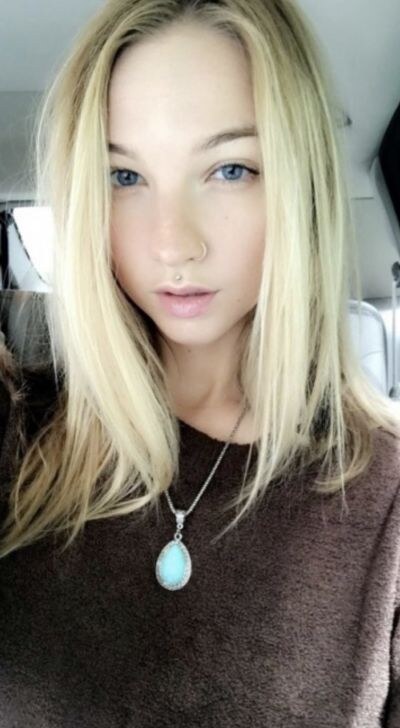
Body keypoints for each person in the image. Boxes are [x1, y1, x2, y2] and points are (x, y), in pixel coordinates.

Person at [0, 0, 399, 725]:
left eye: (230, 169)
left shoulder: (387, 501)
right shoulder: (19, 433)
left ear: (300, 185)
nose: (173, 244)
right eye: (124, 177)